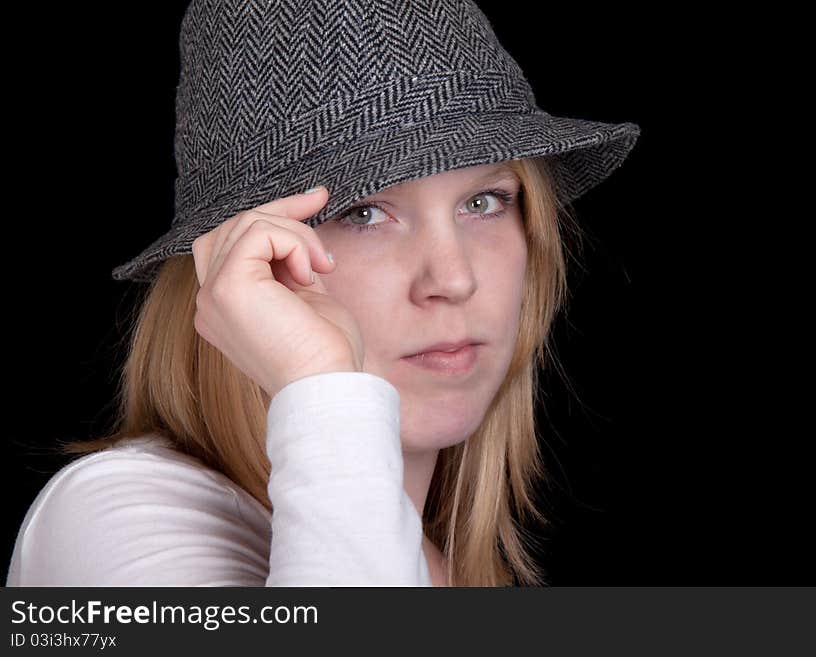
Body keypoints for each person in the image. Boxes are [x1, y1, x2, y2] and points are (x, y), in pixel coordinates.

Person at [6, 0, 639, 587]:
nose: (453, 278)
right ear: (240, 266)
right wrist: (319, 381)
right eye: (363, 214)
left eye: (484, 201)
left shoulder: (443, 566)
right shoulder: (115, 516)